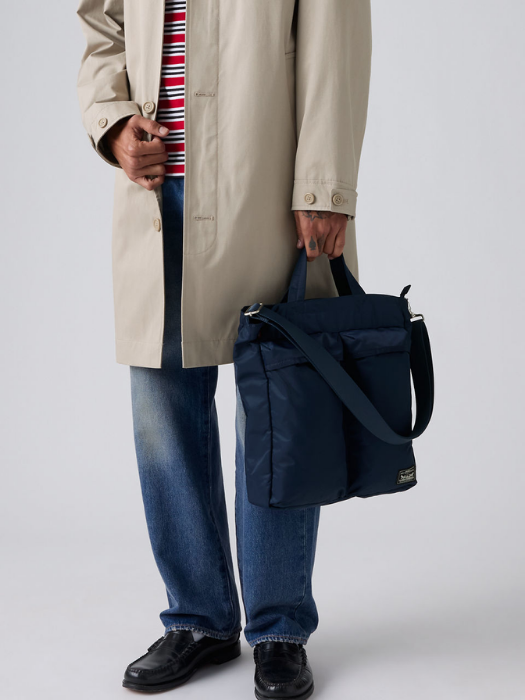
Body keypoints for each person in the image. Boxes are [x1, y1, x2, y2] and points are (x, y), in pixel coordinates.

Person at [76, 1, 372, 697]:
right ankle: (199, 619)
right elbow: (101, 22)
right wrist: (111, 121)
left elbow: (336, 39)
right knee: (162, 409)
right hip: (156, 192)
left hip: (263, 187)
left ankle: (279, 628)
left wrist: (323, 183)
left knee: (281, 411)